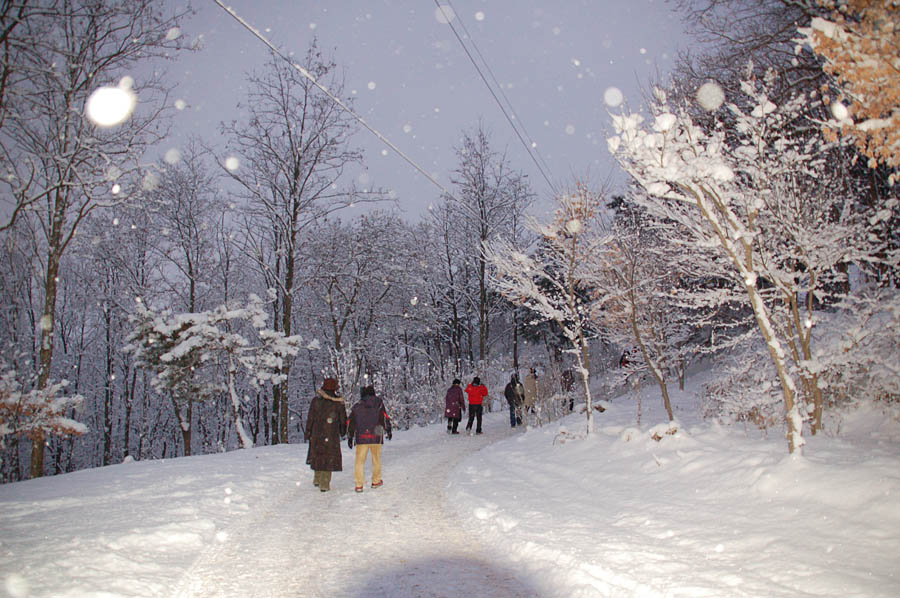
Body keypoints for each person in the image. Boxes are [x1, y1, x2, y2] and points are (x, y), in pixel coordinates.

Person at [347, 385, 392, 493]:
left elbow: (351, 422)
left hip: (361, 436)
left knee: (359, 461)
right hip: (377, 434)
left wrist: (350, 436)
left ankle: (359, 484)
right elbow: (385, 417)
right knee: (376, 459)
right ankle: (376, 481)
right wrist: (388, 430)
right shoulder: (379, 403)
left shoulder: (357, 406)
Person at [305, 377, 347, 492]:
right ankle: (324, 484)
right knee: (328, 458)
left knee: (318, 454)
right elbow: (343, 420)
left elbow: (310, 418)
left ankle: (317, 478)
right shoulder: (338, 403)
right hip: (331, 434)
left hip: (316, 433)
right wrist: (343, 431)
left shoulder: (316, 401)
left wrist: (308, 432)